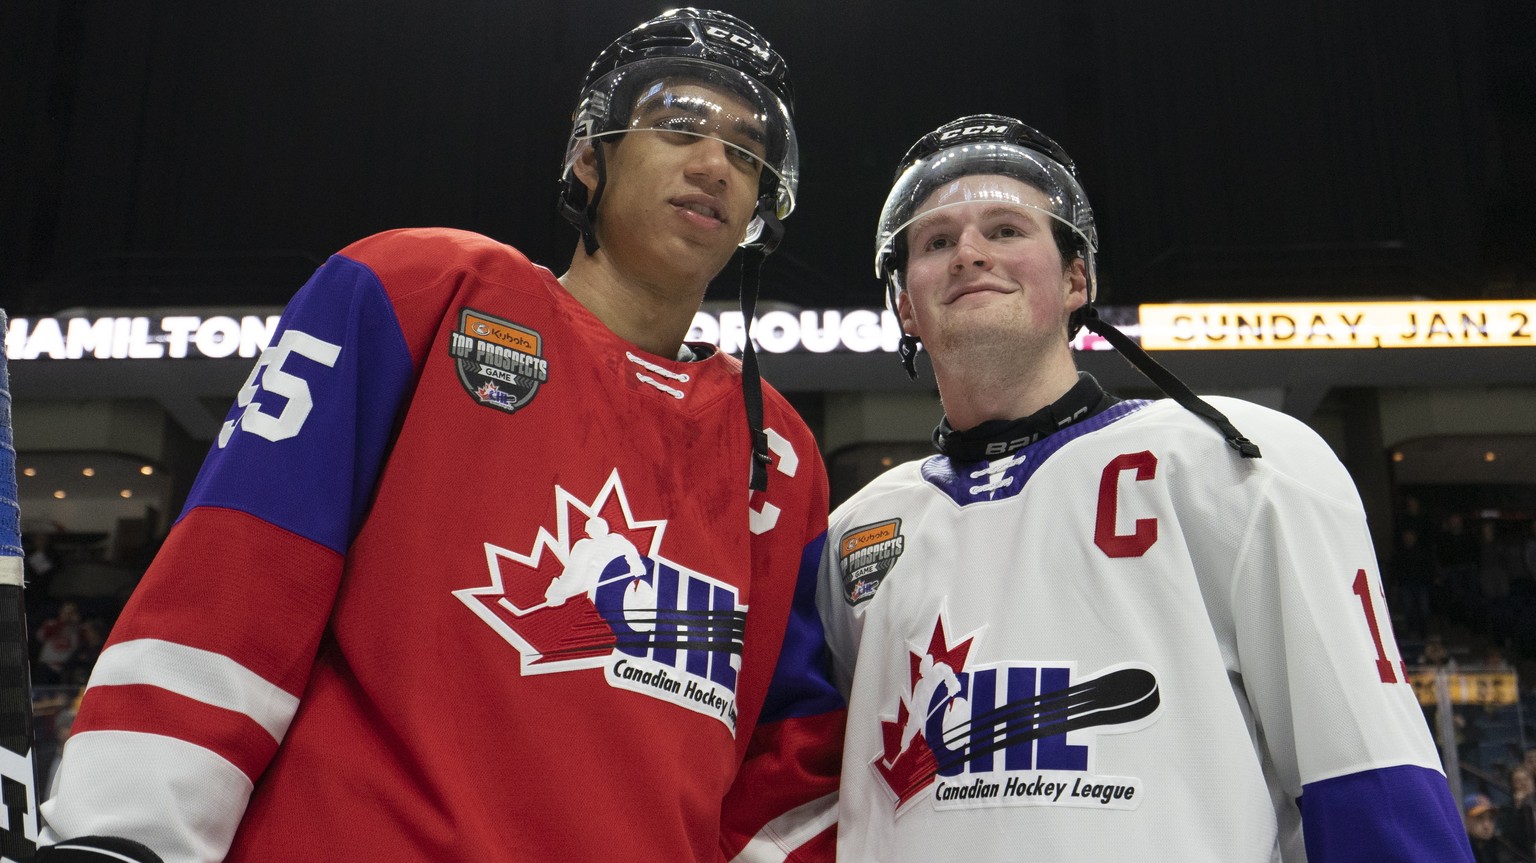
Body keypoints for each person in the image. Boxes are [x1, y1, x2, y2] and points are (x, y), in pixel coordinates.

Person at [37, 10, 844, 862]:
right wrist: (123, 834)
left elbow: (785, 765)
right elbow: (236, 579)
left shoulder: (779, 455)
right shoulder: (417, 289)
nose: (717, 164)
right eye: (679, 125)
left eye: (748, 151)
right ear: (588, 155)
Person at [815, 114, 1471, 861]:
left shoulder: (1241, 461)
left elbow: (1368, 779)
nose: (968, 252)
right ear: (904, 303)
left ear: (1075, 279)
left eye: (1004, 229)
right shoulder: (852, 534)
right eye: (936, 242)